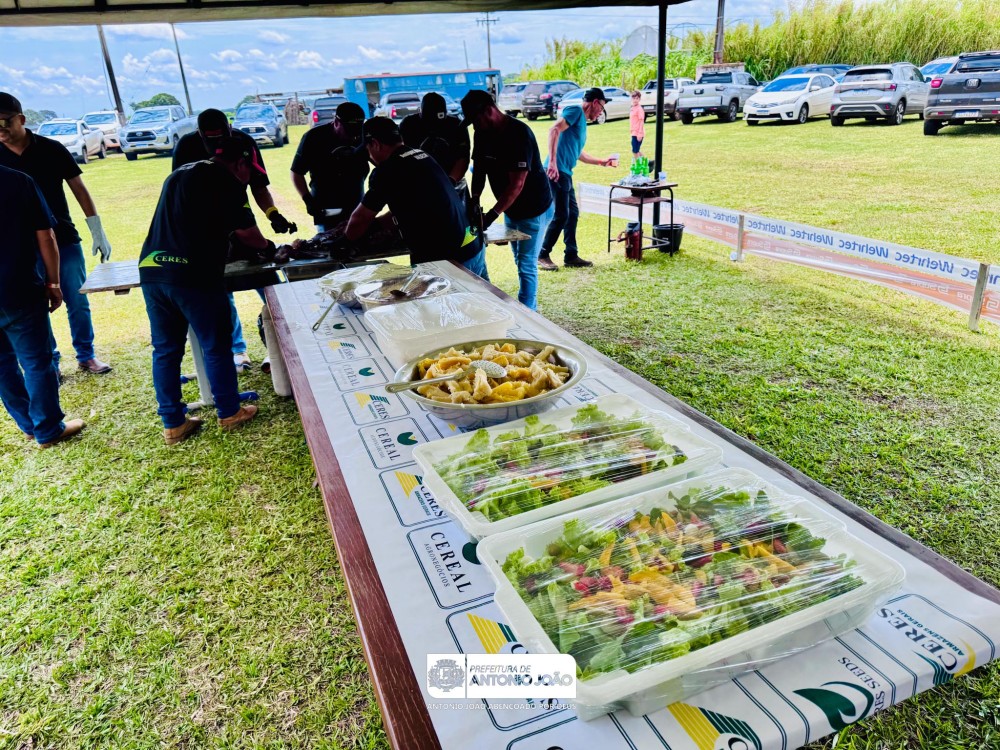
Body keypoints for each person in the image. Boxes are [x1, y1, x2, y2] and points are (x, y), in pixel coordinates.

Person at [140, 139, 269, 445]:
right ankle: (230, 412)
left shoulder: (178, 174)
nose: (248, 178)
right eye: (248, 171)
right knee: (216, 345)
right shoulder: (227, 181)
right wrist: (271, 248)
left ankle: (173, 424)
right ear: (240, 164)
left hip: (153, 269)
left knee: (165, 350)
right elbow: (248, 234)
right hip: (193, 275)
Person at [173, 108, 296, 372]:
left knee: (268, 282)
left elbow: (258, 185)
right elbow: (179, 191)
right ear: (199, 134)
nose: (216, 143)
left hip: (239, 219)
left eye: (221, 136)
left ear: (230, 129)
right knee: (221, 289)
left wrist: (273, 214)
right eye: (210, 138)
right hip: (205, 233)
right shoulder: (187, 147)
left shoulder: (244, 143)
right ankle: (237, 350)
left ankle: (281, 345)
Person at [0, 92, 113, 375]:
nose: (0, 129)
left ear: (21, 119)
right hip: (21, 248)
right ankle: (50, 360)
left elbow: (79, 189)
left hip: (62, 238)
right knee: (35, 307)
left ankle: (86, 355)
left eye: (4, 122)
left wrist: (96, 229)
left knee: (77, 298)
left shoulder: (51, 149)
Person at [0, 165, 86, 448]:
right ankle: (47, 428)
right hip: (18, 288)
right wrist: (53, 282)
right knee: (36, 361)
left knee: (2, 365)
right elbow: (46, 235)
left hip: (16, 289)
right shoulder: (18, 180)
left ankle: (29, 425)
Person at [344, 117, 486, 276]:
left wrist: (344, 242)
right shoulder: (421, 155)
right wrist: (374, 226)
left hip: (447, 261)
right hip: (472, 248)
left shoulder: (388, 170)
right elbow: (410, 208)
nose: (370, 157)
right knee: (484, 294)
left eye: (368, 150)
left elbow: (361, 218)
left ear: (375, 144)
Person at [461, 89, 553, 310]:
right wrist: (475, 201)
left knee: (526, 264)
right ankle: (527, 310)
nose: (474, 126)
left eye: (475, 119)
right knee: (519, 259)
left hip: (534, 208)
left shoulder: (518, 134)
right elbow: (479, 170)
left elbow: (516, 185)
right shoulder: (481, 133)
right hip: (511, 208)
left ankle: (528, 314)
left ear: (489, 110)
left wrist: (491, 216)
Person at [537, 87, 618, 271]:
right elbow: (554, 130)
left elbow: (578, 152)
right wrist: (553, 162)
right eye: (601, 107)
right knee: (561, 215)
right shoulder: (575, 111)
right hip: (557, 172)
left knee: (572, 214)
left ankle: (571, 255)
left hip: (565, 173)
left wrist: (601, 162)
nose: (601, 112)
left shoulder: (581, 122)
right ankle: (542, 254)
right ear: (595, 102)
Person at [291, 101, 370, 231]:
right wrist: (307, 199)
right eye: (348, 131)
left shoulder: (363, 136)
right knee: (328, 238)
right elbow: (296, 172)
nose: (353, 136)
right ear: (336, 122)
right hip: (326, 207)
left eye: (357, 131)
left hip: (356, 203)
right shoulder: (314, 138)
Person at [400, 92, 471, 185]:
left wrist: (451, 181)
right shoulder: (409, 125)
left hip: (451, 177)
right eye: (430, 124)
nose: (434, 128)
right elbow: (402, 155)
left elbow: (463, 157)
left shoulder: (456, 126)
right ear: (420, 114)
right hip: (417, 178)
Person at [630, 90, 646, 161]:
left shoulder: (639, 109)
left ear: (639, 99)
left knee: (635, 151)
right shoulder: (632, 108)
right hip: (633, 132)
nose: (635, 100)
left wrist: (640, 133)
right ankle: (648, 162)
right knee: (636, 150)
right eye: (634, 98)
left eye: (637, 98)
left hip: (638, 133)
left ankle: (638, 165)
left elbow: (641, 121)